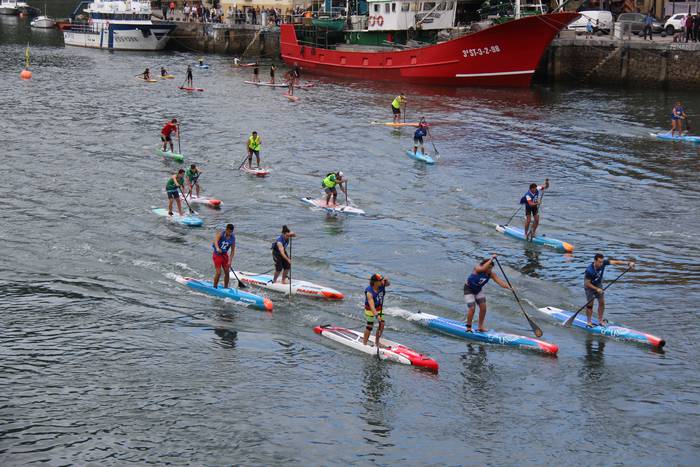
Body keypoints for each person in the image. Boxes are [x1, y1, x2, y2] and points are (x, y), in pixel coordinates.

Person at [583, 254, 635, 327]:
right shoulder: (589, 270)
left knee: (602, 302)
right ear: (595, 261)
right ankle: (589, 322)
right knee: (590, 304)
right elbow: (587, 283)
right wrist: (596, 289)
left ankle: (600, 321)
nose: (601, 264)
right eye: (599, 262)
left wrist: (628, 263)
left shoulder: (604, 263)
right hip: (589, 286)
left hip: (598, 284)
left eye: (602, 262)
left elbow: (615, 262)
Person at [463, 255, 511, 333]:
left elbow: (500, 282)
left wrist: (509, 287)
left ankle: (480, 327)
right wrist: (491, 258)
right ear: (485, 266)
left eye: (491, 268)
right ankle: (468, 327)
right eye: (489, 267)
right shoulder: (477, 269)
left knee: (483, 308)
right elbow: (483, 268)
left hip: (478, 290)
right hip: (468, 289)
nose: (490, 269)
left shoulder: (491, 274)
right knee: (472, 308)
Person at [362, 273, 390, 347]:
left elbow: (388, 284)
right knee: (370, 326)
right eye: (380, 280)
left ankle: (377, 342)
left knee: (382, 324)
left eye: (382, 280)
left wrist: (386, 281)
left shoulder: (382, 284)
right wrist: (377, 316)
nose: (382, 281)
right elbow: (372, 306)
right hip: (370, 309)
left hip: (379, 308)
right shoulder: (369, 292)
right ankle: (364, 343)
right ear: (375, 282)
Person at [212, 224, 236, 289]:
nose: (230, 233)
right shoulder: (221, 234)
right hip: (217, 255)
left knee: (227, 272)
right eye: (229, 231)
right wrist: (217, 248)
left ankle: (226, 288)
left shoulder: (233, 237)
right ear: (226, 229)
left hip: (224, 255)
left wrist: (230, 261)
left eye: (231, 232)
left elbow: (232, 250)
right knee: (219, 273)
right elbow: (215, 241)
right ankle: (214, 287)